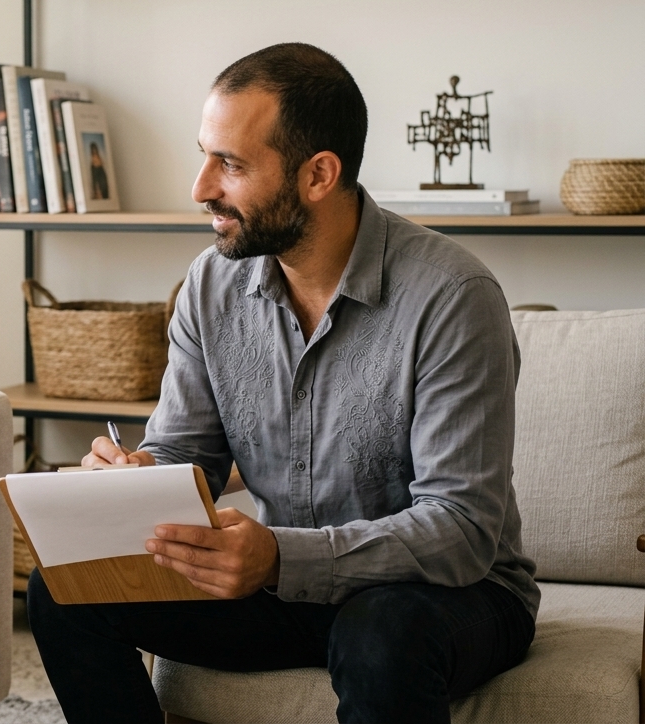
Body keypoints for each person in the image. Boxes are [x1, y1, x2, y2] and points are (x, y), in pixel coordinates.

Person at [27, 43, 538, 724]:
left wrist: (278, 562)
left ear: (319, 174)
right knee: (61, 589)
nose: (200, 186)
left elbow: (463, 529)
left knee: (380, 632)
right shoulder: (212, 285)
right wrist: (136, 476)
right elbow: (189, 459)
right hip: (279, 583)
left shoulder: (452, 296)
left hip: (448, 593)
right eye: (205, 154)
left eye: (231, 164)